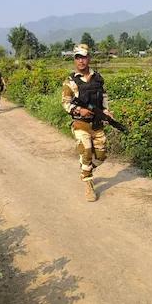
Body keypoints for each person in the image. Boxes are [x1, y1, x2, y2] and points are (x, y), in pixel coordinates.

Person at [61, 44, 112, 202]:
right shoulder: (70, 82)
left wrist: (107, 111)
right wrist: (79, 110)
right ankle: (89, 184)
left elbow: (103, 97)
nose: (81, 61)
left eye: (84, 57)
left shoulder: (98, 78)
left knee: (102, 155)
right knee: (87, 151)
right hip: (80, 124)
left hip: (97, 124)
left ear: (88, 58)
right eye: (78, 57)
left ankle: (85, 168)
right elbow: (65, 103)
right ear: (75, 60)